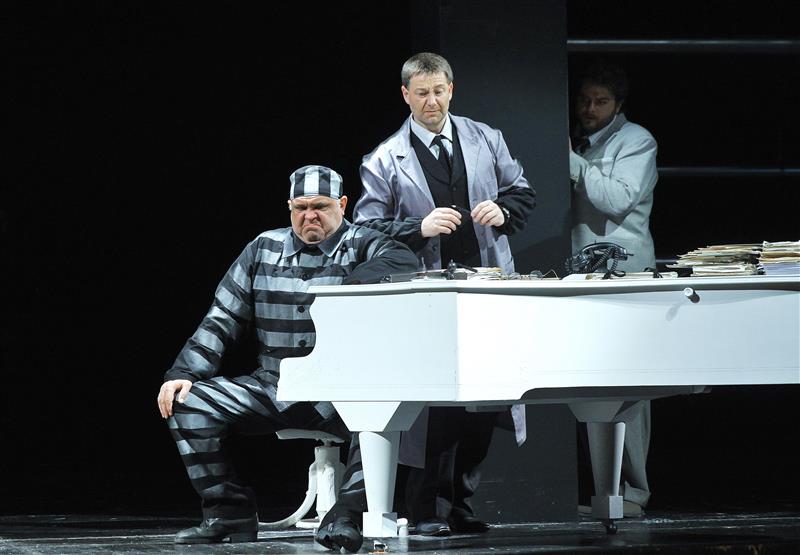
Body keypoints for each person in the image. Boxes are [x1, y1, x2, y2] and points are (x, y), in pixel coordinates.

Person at [157, 165, 418, 552]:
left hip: (341, 393)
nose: (310, 215)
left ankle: (346, 515)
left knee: (380, 411)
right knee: (186, 402)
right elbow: (223, 317)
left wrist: (352, 283)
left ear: (342, 205)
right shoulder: (263, 248)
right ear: (290, 208)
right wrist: (184, 372)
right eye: (301, 207)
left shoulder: (363, 242)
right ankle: (228, 512)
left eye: (320, 206)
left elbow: (403, 260)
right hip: (274, 387)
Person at [353, 52, 536, 536]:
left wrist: (502, 210)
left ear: (451, 90)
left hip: (486, 287)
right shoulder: (385, 158)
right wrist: (419, 227)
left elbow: (522, 191)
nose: (431, 101)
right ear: (405, 95)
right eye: (421, 93)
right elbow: (366, 229)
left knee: (486, 396)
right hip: (428, 294)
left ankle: (460, 503)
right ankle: (427, 509)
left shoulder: (484, 138)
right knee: (435, 405)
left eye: (438, 91)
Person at [569, 60, 658, 517]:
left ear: (618, 104)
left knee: (629, 389)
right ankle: (604, 491)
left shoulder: (636, 140)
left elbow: (618, 198)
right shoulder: (580, 141)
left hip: (625, 276)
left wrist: (574, 165)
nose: (590, 108)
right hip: (582, 276)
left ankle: (633, 493)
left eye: (600, 101)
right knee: (588, 386)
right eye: (585, 100)